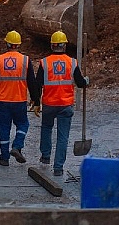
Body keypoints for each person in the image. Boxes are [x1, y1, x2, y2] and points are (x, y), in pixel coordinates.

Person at [32, 30, 89, 177]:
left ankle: (45, 158)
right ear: (64, 46)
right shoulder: (72, 62)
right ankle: (58, 168)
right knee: (63, 137)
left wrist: (36, 102)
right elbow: (81, 83)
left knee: (46, 129)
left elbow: (38, 85)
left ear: (52, 46)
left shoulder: (45, 63)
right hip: (65, 105)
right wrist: (86, 81)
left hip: (49, 104)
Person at [0, 30, 39, 167]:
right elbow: (32, 82)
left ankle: (4, 158)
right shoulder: (25, 60)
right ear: (18, 44)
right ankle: (17, 145)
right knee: (23, 124)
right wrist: (36, 99)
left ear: (7, 43)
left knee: (4, 128)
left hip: (3, 101)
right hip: (19, 100)